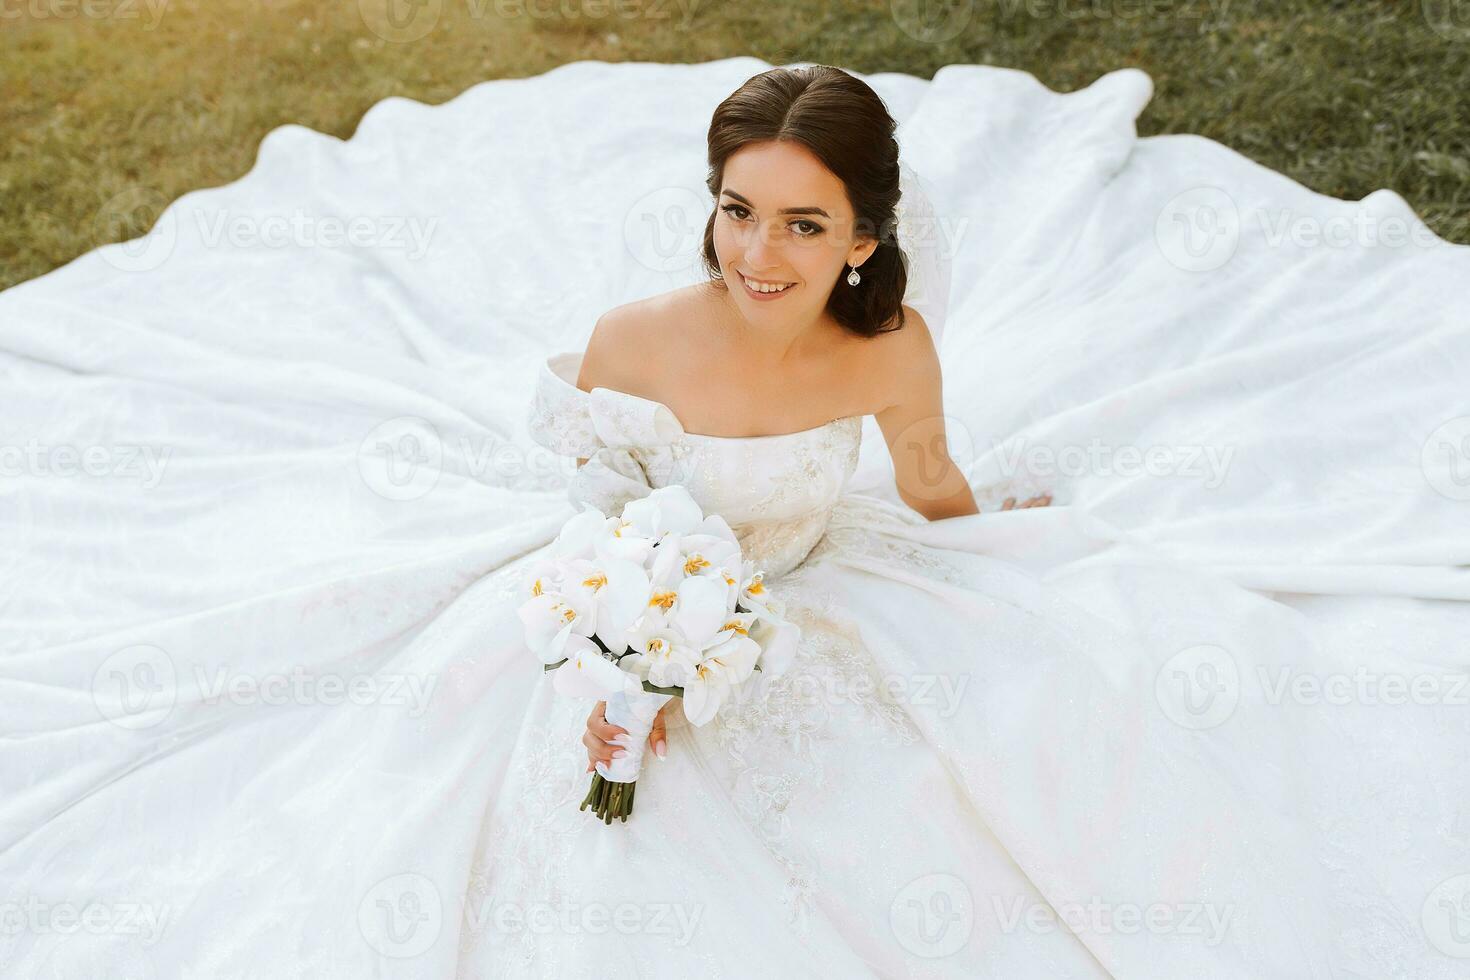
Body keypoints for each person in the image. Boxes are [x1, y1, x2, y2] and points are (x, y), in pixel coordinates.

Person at [459, 65, 1436, 979]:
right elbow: (595, 497)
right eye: (737, 211)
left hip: (819, 584)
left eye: (804, 225)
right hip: (633, 602)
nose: (756, 254)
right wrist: (626, 665)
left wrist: (991, 534)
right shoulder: (634, 339)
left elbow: (927, 477)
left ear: (863, 241)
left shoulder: (887, 347)